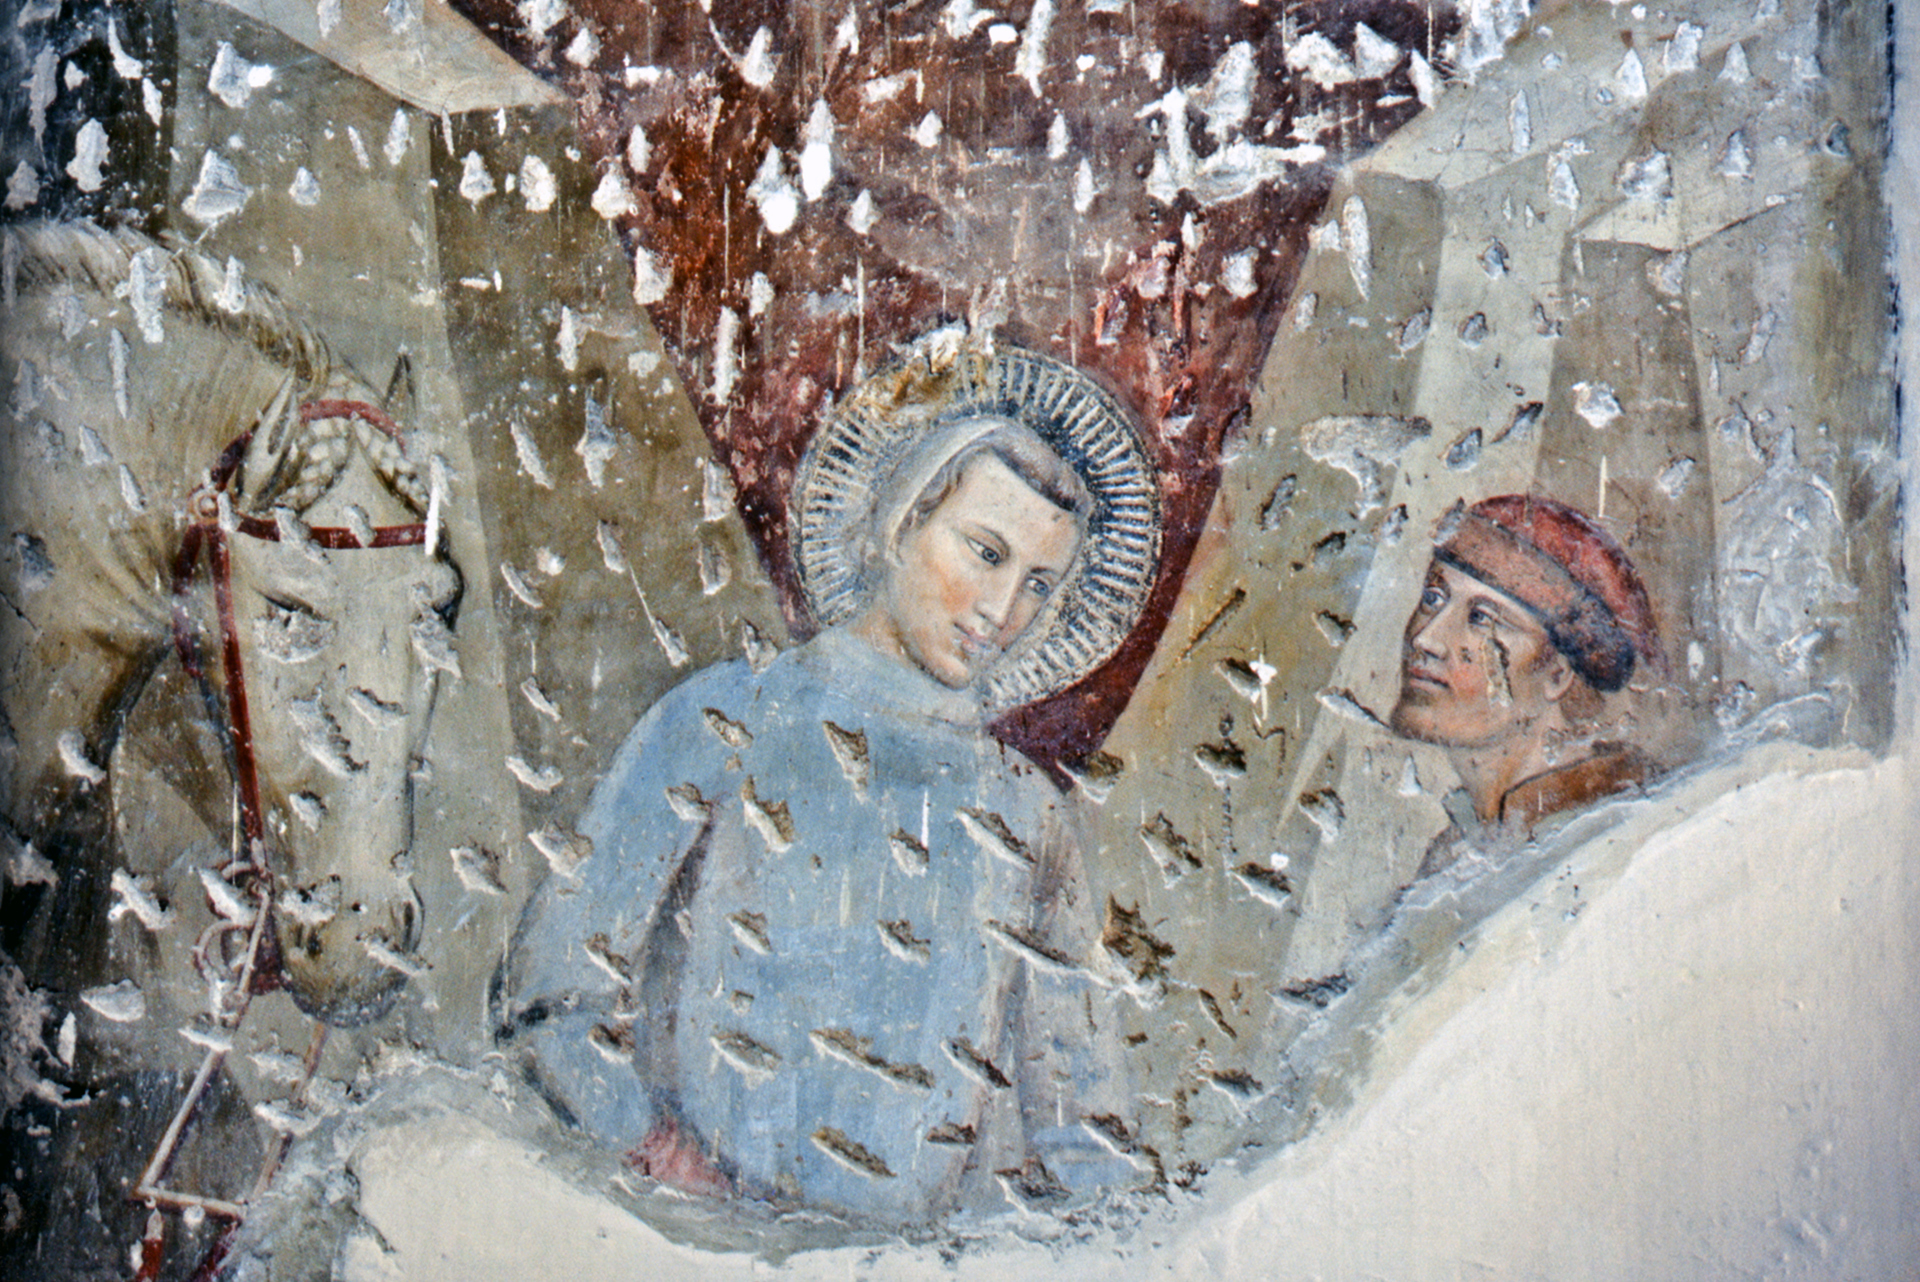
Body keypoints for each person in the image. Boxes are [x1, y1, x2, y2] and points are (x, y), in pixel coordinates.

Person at [503, 345, 1160, 1226]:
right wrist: (657, 1152)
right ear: (903, 522)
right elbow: (553, 990)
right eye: (984, 552)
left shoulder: (1024, 809)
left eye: (1038, 584)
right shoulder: (727, 718)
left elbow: (1085, 1126)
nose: (1003, 611)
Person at [1389, 494, 1663, 876]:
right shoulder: (1455, 850)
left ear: (1557, 675)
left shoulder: (1606, 832)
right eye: (1433, 599)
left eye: (1482, 619)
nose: (1426, 639)